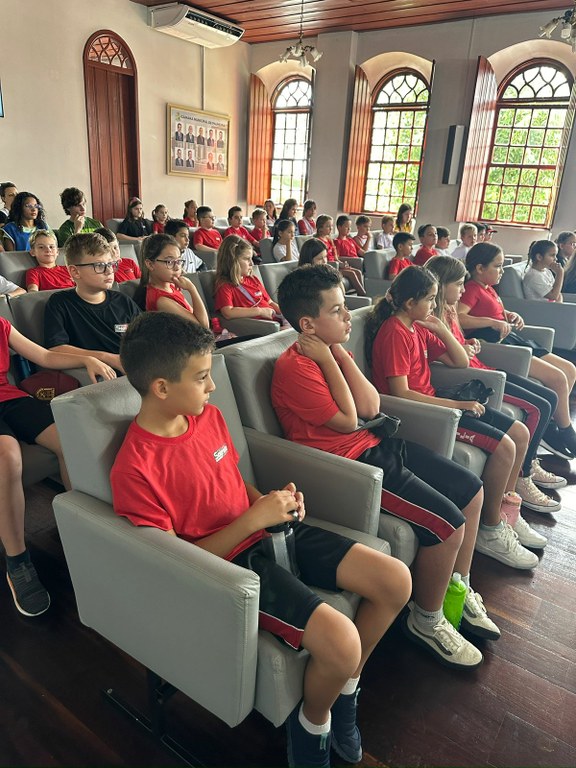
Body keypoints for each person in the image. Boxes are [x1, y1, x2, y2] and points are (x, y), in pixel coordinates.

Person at [111, 311, 411, 768]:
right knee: (342, 642)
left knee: (394, 580)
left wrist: (272, 503)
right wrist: (254, 520)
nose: (213, 387)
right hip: (229, 568)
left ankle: (345, 689)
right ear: (162, 388)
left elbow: (232, 482)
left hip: (265, 530)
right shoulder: (135, 468)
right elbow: (176, 564)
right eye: (202, 377)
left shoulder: (207, 416)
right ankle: (312, 724)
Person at [273, 264, 498, 670]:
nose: (348, 316)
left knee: (471, 490)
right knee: (449, 525)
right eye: (337, 310)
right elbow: (348, 420)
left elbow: (371, 405)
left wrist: (335, 353)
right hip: (352, 464)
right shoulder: (295, 367)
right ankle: (426, 618)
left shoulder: (331, 350)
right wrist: (327, 359)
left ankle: (456, 587)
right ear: (307, 324)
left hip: (377, 443)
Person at [364, 266, 548, 567]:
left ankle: (506, 511)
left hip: (439, 404)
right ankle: (490, 528)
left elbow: (460, 360)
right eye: (430, 299)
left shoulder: (418, 326)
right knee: (505, 446)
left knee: (519, 432)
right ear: (409, 303)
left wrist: (440, 329)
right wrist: (456, 405)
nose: (434, 305)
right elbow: (401, 393)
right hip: (426, 413)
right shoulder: (394, 332)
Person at [427, 255, 564, 519]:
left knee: (547, 398)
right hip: (473, 376)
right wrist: (462, 349)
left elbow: (456, 345)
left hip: (482, 368)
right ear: (443, 286)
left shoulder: (450, 309)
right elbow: (446, 357)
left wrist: (467, 345)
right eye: (459, 284)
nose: (463, 290)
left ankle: (527, 466)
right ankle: (522, 476)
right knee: (537, 408)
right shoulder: (433, 319)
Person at [0, 313, 115, 617]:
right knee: (7, 456)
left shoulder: (0, 324)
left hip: (8, 398)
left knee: (70, 438)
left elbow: (45, 356)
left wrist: (90, 358)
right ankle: (17, 561)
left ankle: (82, 531)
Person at [460, 243, 576, 459]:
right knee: (558, 378)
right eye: (497, 266)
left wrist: (509, 315)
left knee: (569, 369)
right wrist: (491, 322)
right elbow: (459, 317)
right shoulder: (472, 289)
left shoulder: (488, 288)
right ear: (480, 268)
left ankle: (554, 424)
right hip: (499, 344)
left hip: (513, 338)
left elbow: (494, 310)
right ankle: (565, 431)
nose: (502, 271)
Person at [44, 233, 142, 374]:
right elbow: (56, 348)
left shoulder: (123, 301)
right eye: (99, 266)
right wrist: (107, 358)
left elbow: (145, 336)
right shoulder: (60, 303)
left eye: (111, 264)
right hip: (100, 375)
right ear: (75, 272)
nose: (109, 271)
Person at [135, 234, 209, 327]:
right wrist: (192, 288)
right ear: (150, 264)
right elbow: (202, 327)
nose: (177, 267)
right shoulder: (161, 300)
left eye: (179, 261)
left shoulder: (170, 286)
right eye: (169, 262)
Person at [214, 235, 282, 322]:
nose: (251, 263)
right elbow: (228, 312)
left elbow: (270, 302)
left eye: (251, 259)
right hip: (264, 325)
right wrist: (260, 311)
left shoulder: (253, 279)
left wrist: (286, 314)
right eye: (247, 259)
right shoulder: (225, 285)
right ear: (232, 261)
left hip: (277, 320)